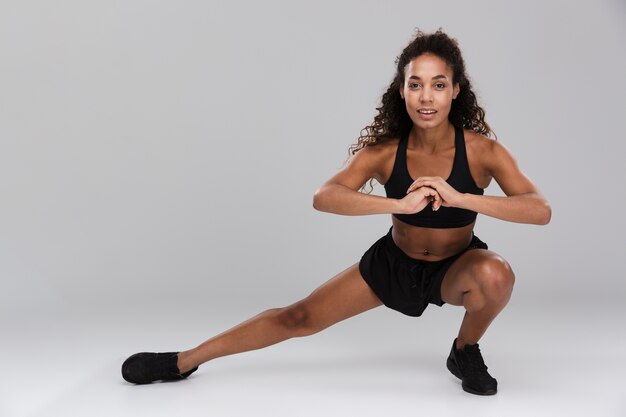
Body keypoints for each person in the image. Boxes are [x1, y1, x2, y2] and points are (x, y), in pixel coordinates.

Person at [121, 29, 551, 396]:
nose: (426, 96)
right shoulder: (383, 153)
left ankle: (463, 351)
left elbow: (539, 209)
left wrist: (461, 198)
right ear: (401, 91)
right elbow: (324, 195)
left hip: (457, 268)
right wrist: (397, 204)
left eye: (438, 84)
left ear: (456, 91)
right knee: (298, 317)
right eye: (415, 84)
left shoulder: (484, 152)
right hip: (394, 264)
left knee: (496, 273)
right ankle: (184, 360)